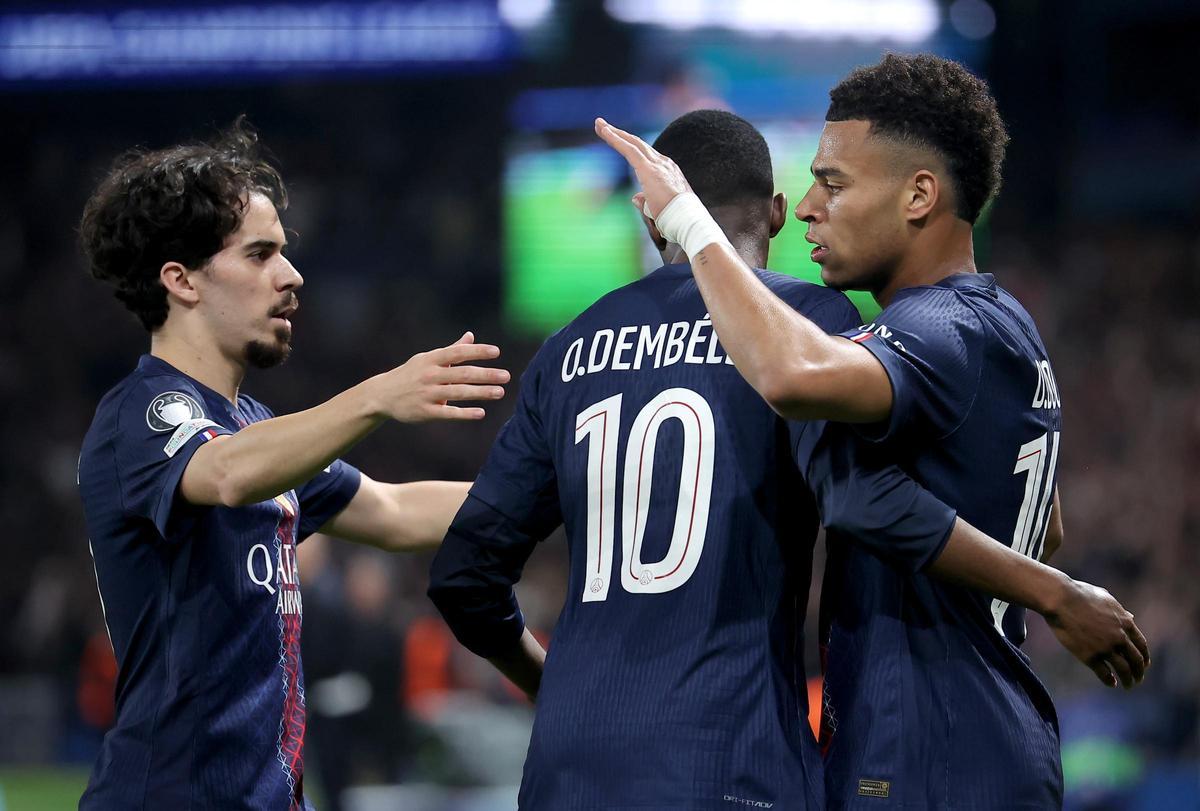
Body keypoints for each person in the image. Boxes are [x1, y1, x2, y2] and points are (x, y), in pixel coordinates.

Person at [430, 110, 1141, 809]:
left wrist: (551, 683)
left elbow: (464, 574)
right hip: (736, 761)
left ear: (654, 221)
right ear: (771, 212)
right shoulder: (811, 330)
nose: (809, 210)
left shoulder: (567, 352)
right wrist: (1051, 586)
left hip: (566, 771)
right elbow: (865, 499)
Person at [75, 120, 509, 810]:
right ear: (181, 280)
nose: (292, 275)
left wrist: (566, 488)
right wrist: (378, 395)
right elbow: (223, 475)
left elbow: (395, 512)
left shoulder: (257, 427)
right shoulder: (141, 414)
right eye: (260, 254)